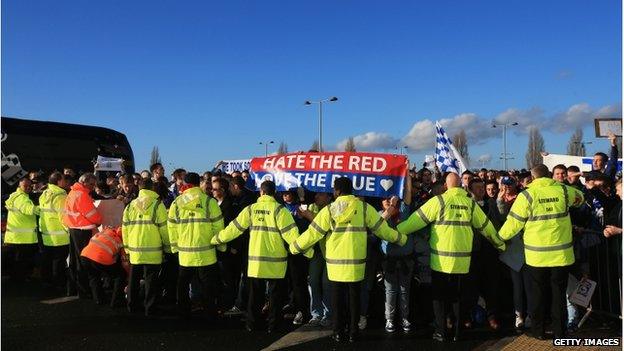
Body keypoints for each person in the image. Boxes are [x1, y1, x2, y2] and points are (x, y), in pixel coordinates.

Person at [289, 177, 406, 343]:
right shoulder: (364, 208)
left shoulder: (328, 210)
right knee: (354, 298)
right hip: (356, 264)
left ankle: (338, 331)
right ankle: (353, 332)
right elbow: (382, 230)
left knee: (336, 299)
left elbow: (312, 233)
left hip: (335, 265)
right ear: (352, 190)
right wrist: (400, 238)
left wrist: (295, 247)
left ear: (336, 191)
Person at [396, 173, 505, 342]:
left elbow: (415, 221)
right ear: (461, 185)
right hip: (462, 262)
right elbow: (486, 227)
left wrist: (396, 231)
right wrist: (500, 244)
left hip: (440, 261)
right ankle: (457, 332)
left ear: (446, 186)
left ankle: (441, 331)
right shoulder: (470, 203)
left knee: (439, 299)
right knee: (458, 298)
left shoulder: (438, 201)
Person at [499, 164, 584, 340]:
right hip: (561, 255)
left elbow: (512, 224)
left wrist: (497, 239)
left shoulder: (527, 195)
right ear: (549, 175)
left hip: (536, 257)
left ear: (533, 177)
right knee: (559, 296)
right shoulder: (562, 190)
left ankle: (538, 332)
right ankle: (561, 332)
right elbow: (580, 199)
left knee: (537, 294)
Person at [211, 180, 303, 333]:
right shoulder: (280, 210)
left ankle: (252, 324)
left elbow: (234, 229)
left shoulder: (251, 209)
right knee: (275, 296)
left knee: (255, 295)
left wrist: (216, 239)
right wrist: (305, 249)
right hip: (276, 262)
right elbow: (292, 236)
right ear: (274, 193)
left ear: (261, 192)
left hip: (256, 262)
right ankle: (274, 326)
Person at [167, 172, 224, 319]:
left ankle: (183, 311)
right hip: (207, 254)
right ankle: (210, 312)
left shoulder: (176, 203)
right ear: (198, 184)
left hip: (185, 254)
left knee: (183, 285)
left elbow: (172, 228)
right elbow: (218, 227)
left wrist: (174, 248)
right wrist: (221, 246)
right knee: (207, 286)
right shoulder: (209, 201)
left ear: (185, 184)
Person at [122, 179, 169, 316]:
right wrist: (167, 247)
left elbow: (124, 228)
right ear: (152, 188)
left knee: (133, 279)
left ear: (140, 188)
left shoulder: (130, 206)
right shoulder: (157, 205)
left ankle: (132, 306)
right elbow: (164, 229)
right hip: (153, 250)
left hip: (135, 249)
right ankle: (150, 308)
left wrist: (127, 249)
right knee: (151, 281)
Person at [63, 173, 103, 297]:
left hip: (74, 229)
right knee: (84, 261)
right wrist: (99, 221)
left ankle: (73, 289)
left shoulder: (73, 192)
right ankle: (84, 291)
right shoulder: (82, 195)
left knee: (74, 261)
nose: (93, 187)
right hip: (83, 231)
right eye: (91, 184)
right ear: (84, 182)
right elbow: (92, 215)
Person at [297, 192, 333, 327]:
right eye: (316, 194)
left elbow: (324, 225)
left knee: (326, 283)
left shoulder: (334, 208)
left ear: (329, 197)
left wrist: (309, 216)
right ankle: (316, 314)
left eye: (321, 194)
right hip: (315, 251)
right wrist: (301, 215)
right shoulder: (311, 206)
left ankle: (328, 314)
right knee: (312, 281)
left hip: (330, 252)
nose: (316, 196)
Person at [4, 177, 40, 281]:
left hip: (15, 237)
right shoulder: (22, 198)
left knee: (16, 261)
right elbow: (30, 210)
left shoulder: (15, 196)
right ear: (19, 186)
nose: (29, 187)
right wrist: (45, 209)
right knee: (22, 261)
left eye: (30, 185)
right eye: (26, 186)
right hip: (23, 238)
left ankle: (17, 279)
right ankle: (20, 280)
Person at [80, 227, 127, 306]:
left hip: (84, 255)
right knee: (120, 275)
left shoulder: (106, 231)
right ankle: (116, 301)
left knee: (94, 277)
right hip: (99, 258)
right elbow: (124, 261)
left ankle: (99, 299)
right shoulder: (120, 240)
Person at [39, 172, 70, 290]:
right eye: (63, 180)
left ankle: (46, 281)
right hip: (59, 235)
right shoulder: (60, 195)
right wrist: (69, 230)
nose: (65, 182)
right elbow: (63, 216)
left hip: (47, 234)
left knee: (47, 259)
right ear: (58, 181)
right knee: (59, 261)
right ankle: (59, 283)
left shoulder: (45, 193)